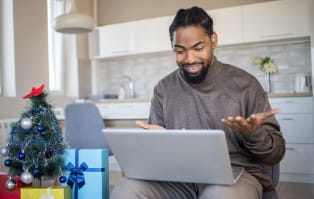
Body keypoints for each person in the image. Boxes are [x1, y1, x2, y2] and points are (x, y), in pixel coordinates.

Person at [110, 6, 286, 199]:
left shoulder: (246, 85)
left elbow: (275, 154)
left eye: (198, 48)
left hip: (235, 176)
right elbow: (154, 159)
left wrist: (254, 134)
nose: (189, 59)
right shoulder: (164, 89)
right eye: (180, 51)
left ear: (213, 40)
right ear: (172, 46)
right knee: (126, 190)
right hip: (178, 178)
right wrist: (159, 143)